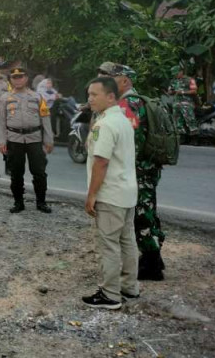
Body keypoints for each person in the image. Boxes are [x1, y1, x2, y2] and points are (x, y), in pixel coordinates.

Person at [81, 76, 139, 310]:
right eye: (89, 94)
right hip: (126, 192)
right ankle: (129, 287)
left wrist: (91, 195)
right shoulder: (123, 119)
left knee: (109, 244)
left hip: (110, 194)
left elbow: (101, 162)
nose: (90, 99)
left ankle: (110, 294)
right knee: (127, 241)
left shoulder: (104, 124)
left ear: (111, 96)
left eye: (95, 95)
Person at [110, 64, 166, 281]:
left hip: (138, 170)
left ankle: (152, 265)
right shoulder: (135, 101)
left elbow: (132, 140)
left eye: (114, 78)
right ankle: (154, 258)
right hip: (146, 168)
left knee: (142, 215)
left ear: (125, 81)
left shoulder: (129, 103)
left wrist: (123, 167)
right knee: (148, 211)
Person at [0, 66, 54, 214]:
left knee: (39, 172)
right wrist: (1, 141)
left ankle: (41, 202)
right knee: (16, 173)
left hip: (34, 139)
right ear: (11, 80)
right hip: (14, 140)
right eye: (14, 77)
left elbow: (45, 119)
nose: (18, 79)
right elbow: (1, 122)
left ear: (26, 78)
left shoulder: (37, 97)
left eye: (21, 76)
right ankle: (18, 202)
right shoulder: (5, 99)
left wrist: (49, 140)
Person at [167, 65, 198, 135]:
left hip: (187, 101)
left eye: (176, 73)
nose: (175, 75)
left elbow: (194, 91)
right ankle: (179, 131)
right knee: (175, 113)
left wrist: (183, 92)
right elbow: (170, 90)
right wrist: (170, 92)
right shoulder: (173, 81)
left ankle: (193, 128)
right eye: (174, 74)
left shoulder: (190, 80)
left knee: (185, 108)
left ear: (181, 72)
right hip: (176, 102)